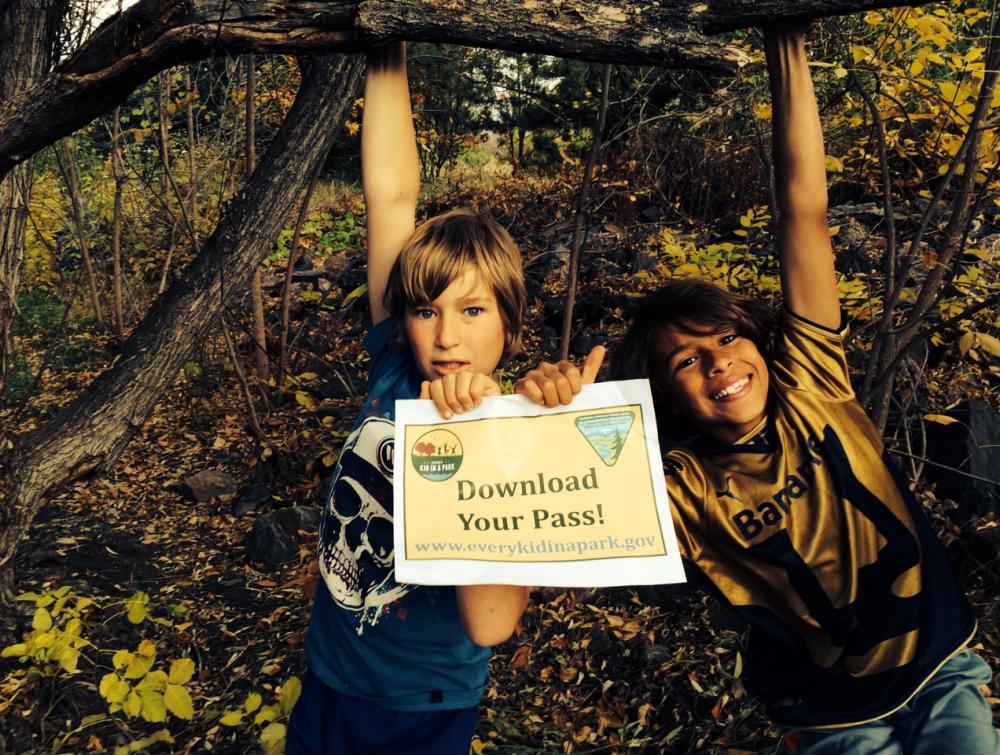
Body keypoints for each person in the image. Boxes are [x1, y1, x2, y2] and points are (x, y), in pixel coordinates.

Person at [516, 26, 999, 754]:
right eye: (685, 362)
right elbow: (553, 509)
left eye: (726, 338)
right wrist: (550, 412)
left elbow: (802, 210)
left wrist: (788, 39)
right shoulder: (681, 486)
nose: (717, 364)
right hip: (833, 711)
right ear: (668, 397)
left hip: (937, 666)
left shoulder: (813, 383)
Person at [286, 43, 532, 755]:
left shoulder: (517, 436)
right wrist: (384, 40)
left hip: (421, 705)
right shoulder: (395, 368)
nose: (446, 335)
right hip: (330, 674)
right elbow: (391, 193)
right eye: (426, 310)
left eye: (474, 312)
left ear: (511, 324)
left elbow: (492, 618)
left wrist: (482, 428)